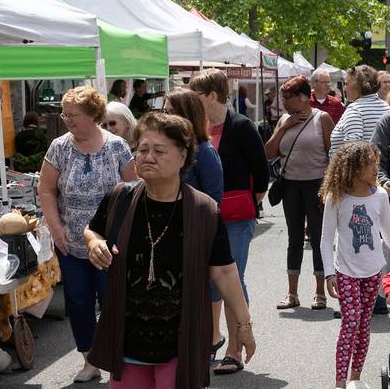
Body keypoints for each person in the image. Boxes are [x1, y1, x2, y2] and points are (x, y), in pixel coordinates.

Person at [81, 112, 257, 389]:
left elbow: (223, 271)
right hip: (127, 341)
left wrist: (243, 325)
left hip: (180, 342)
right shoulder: (120, 197)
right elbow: (92, 230)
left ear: (184, 156)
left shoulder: (204, 211)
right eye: (142, 149)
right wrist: (94, 243)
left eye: (159, 150)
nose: (148, 157)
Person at [38, 86, 139, 382]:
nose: (67, 119)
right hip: (70, 242)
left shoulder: (116, 146)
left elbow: (135, 188)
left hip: (111, 244)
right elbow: (46, 189)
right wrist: (56, 228)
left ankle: (119, 359)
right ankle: (89, 359)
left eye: (74, 115)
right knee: (78, 302)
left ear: (93, 115)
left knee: (113, 301)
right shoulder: (59, 147)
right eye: (64, 114)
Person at [188, 69, 270, 375]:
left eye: (196, 94)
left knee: (233, 279)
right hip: (204, 217)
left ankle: (236, 348)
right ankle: (215, 337)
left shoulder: (241, 125)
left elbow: (262, 172)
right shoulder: (197, 128)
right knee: (211, 279)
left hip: (236, 217)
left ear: (212, 96)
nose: (192, 100)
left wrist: (250, 204)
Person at [319, 143, 390, 389]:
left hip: (373, 271)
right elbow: (326, 239)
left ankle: (355, 378)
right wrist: (329, 273)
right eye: (370, 164)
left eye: (376, 163)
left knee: (363, 326)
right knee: (350, 322)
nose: (376, 169)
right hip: (345, 271)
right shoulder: (336, 197)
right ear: (353, 168)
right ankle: (340, 383)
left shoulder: (381, 195)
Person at [268, 75, 335, 311]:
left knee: (318, 239)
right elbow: (269, 151)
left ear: (304, 97)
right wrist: (284, 126)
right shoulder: (284, 120)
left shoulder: (322, 119)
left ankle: (319, 293)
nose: (284, 102)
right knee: (294, 239)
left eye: (289, 98)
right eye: (283, 97)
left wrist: (330, 187)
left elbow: (333, 154)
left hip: (316, 185)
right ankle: (292, 293)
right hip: (290, 186)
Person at [161, 88, 224, 201]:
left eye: (173, 112)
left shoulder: (204, 151)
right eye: (165, 112)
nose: (167, 117)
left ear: (188, 114)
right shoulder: (163, 147)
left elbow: (213, 199)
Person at [331, 65, 390, 155]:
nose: (344, 88)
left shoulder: (355, 110)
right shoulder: (387, 108)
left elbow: (353, 149)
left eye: (346, 84)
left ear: (357, 86)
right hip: (379, 166)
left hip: (356, 168)